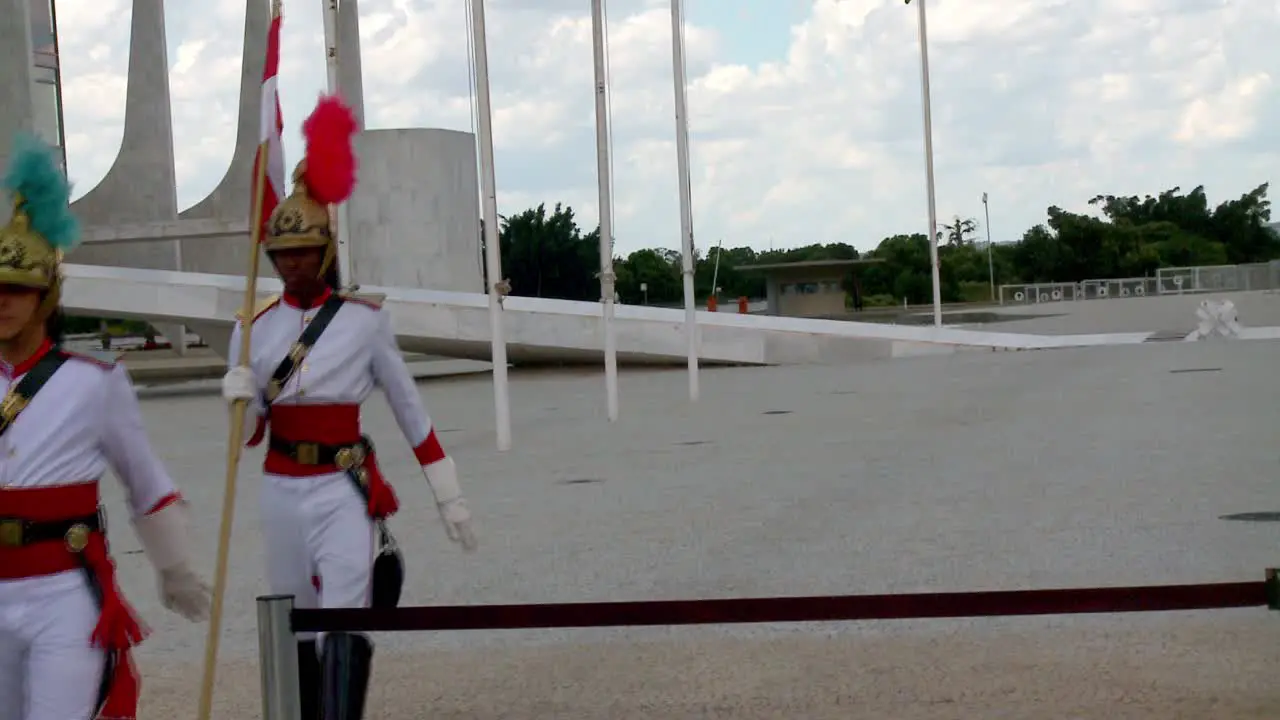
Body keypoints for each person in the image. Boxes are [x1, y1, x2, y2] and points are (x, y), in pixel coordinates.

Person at [220, 95, 477, 720]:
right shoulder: (250, 329)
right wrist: (239, 399)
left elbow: (410, 409)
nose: (292, 264)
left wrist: (449, 495)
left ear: (325, 250)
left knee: (346, 610)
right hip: (280, 484)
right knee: (295, 620)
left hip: (342, 483)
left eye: (303, 252)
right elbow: (248, 436)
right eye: (282, 255)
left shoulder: (365, 323)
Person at [0, 134, 210, 720]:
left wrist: (175, 570)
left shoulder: (95, 382)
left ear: (47, 296)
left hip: (63, 593)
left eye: (18, 289)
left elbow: (145, 483)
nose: (3, 300)